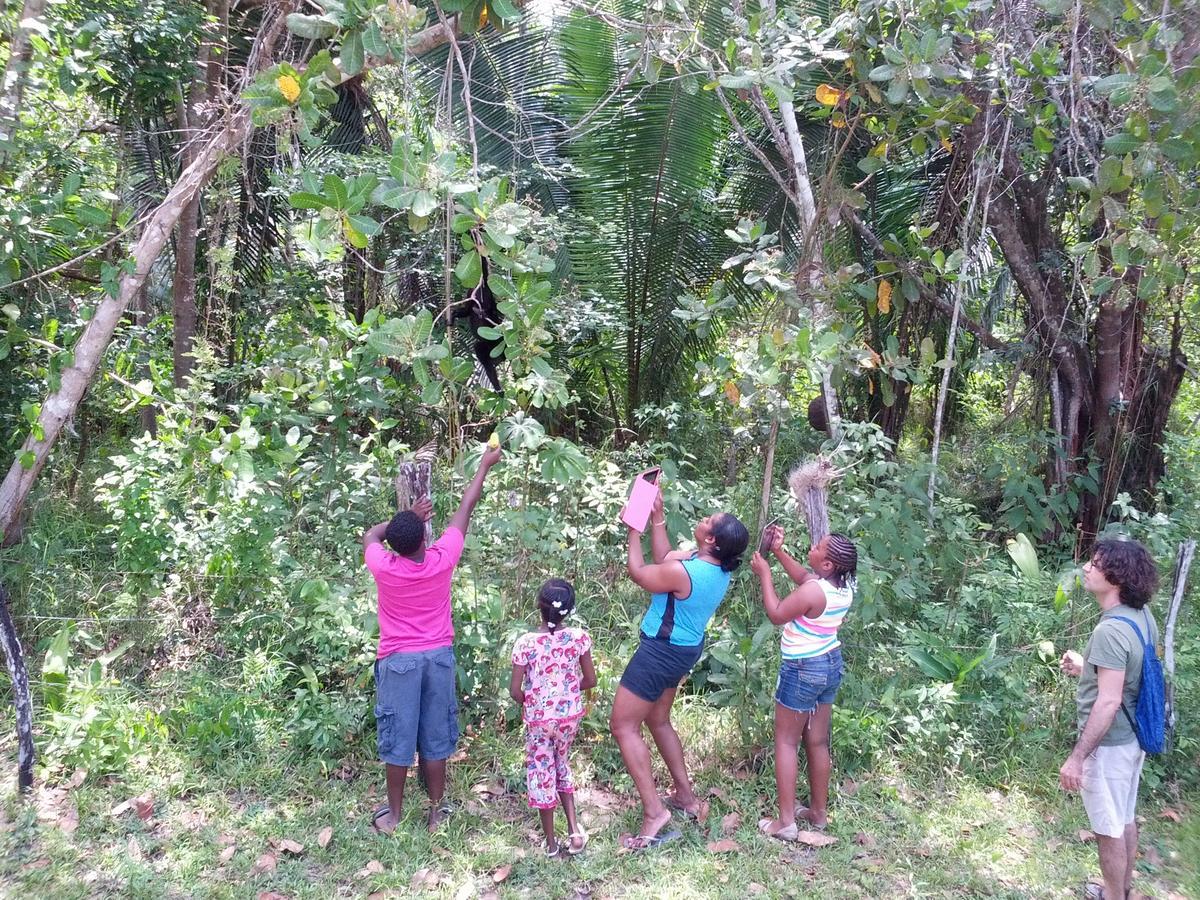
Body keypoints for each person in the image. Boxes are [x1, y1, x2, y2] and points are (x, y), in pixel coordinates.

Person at [362, 443, 503, 834]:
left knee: (398, 737)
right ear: (425, 538)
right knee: (436, 736)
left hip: (399, 660)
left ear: (394, 545)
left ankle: (393, 815)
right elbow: (465, 509)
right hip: (438, 657)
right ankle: (437, 812)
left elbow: (369, 535)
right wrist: (485, 465)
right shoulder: (442, 560)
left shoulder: (384, 565)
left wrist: (402, 519)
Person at [610, 490, 749, 850]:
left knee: (623, 725)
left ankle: (655, 811)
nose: (702, 519)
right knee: (657, 720)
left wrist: (633, 529)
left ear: (710, 539)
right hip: (685, 649)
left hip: (659, 651)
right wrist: (656, 517)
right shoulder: (713, 569)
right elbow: (665, 560)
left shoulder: (687, 571)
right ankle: (685, 798)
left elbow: (641, 573)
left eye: (707, 520)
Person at [1059, 539, 1160, 900]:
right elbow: (1126, 676)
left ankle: (1114, 896)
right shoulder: (1141, 616)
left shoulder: (1109, 631)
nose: (1087, 568)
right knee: (1124, 817)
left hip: (1110, 745)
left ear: (1115, 577)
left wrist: (1077, 757)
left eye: (1096, 564)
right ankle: (1124, 890)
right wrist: (1089, 669)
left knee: (1107, 828)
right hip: (1132, 741)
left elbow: (1108, 702)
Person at [750, 527, 857, 840]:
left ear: (827, 565)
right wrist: (780, 551)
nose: (812, 547)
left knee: (786, 741)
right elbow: (805, 578)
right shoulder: (844, 586)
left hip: (802, 668)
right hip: (830, 664)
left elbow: (777, 613)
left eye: (818, 548)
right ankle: (818, 813)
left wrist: (765, 573)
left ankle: (785, 822)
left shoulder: (814, 592)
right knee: (818, 741)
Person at [509, 578, 597, 857]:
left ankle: (550, 844)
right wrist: (567, 691)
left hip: (539, 719)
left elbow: (515, 691)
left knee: (541, 771)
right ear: (568, 610)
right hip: (569, 716)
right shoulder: (578, 638)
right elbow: (590, 680)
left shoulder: (526, 644)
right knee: (562, 763)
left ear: (539, 606)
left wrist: (533, 699)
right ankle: (574, 831)